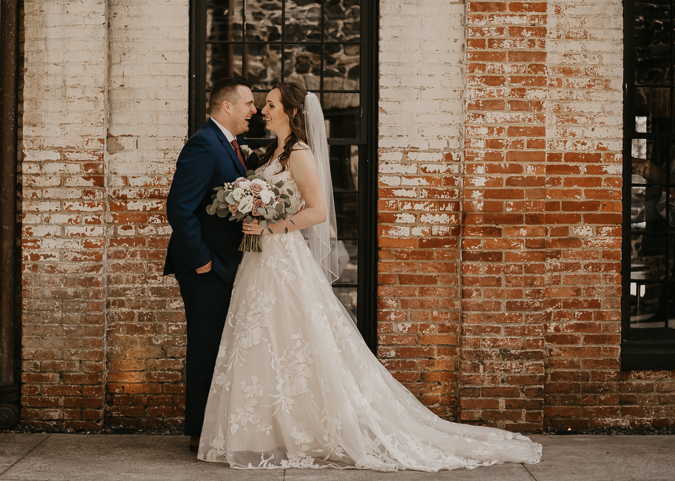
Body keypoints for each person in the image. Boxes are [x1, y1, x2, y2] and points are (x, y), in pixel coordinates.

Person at [197, 82, 543, 471]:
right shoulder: (274, 151)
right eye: (263, 105)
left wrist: (270, 228)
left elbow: (318, 212)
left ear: (291, 113)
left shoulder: (299, 153)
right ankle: (268, 430)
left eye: (271, 105)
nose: (262, 110)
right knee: (263, 340)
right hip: (260, 262)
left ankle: (310, 429)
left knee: (294, 339)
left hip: (282, 259)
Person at [164, 77, 257, 452]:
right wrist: (202, 260)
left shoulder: (228, 144)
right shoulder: (204, 144)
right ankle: (199, 432)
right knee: (205, 348)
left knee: (220, 345)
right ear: (227, 106)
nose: (254, 110)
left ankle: (216, 426)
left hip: (225, 265)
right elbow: (179, 207)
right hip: (206, 268)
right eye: (249, 103)